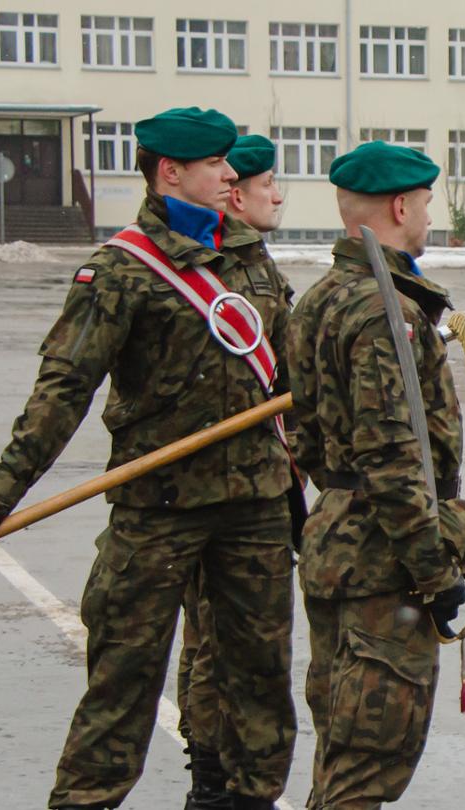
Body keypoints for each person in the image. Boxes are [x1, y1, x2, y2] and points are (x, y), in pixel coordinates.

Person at [0, 107, 298, 810]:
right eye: (215, 164)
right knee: (122, 684)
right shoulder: (121, 269)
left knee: (259, 686)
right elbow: (63, 389)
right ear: (170, 172)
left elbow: (286, 378)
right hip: (158, 510)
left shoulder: (249, 257)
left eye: (229, 164)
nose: (229, 174)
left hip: (254, 509)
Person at [285, 141, 465, 809]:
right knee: (368, 766)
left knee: (341, 752)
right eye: (425, 202)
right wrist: (437, 575)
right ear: (401, 206)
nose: (429, 214)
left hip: (341, 543)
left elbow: (306, 437)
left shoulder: (320, 300)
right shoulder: (382, 312)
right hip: (381, 566)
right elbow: (395, 461)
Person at [173, 133, 291, 810]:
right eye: (265, 183)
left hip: (262, 482)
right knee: (216, 642)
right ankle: (210, 777)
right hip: (207, 491)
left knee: (231, 642)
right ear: (234, 194)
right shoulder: (205, 273)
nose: (277, 195)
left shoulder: (256, 266)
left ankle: (224, 776)